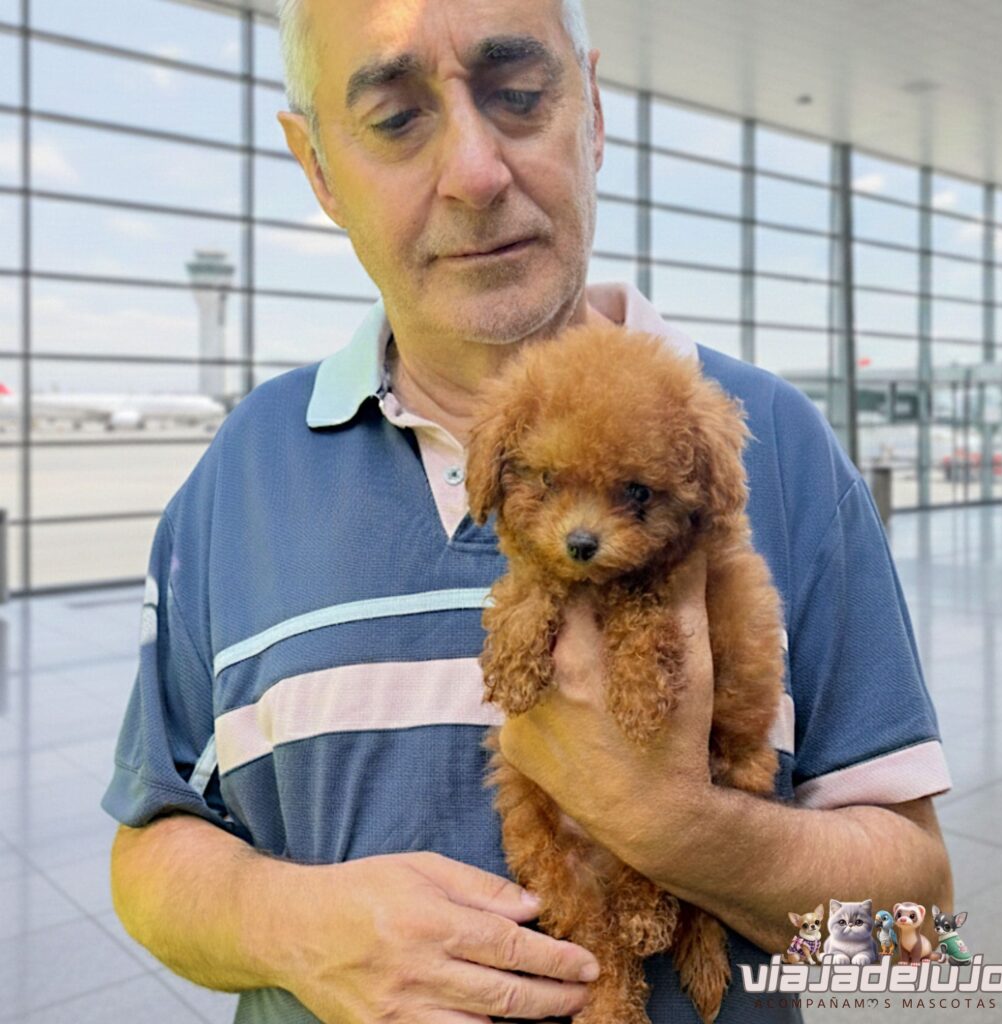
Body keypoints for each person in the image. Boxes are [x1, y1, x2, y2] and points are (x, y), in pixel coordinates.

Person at [102, 0, 954, 1021]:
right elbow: (146, 849)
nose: (474, 172)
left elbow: (914, 944)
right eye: (395, 118)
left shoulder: (771, 444)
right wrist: (286, 921)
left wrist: (678, 825)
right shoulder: (240, 472)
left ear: (590, 113)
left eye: (517, 96)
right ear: (318, 165)